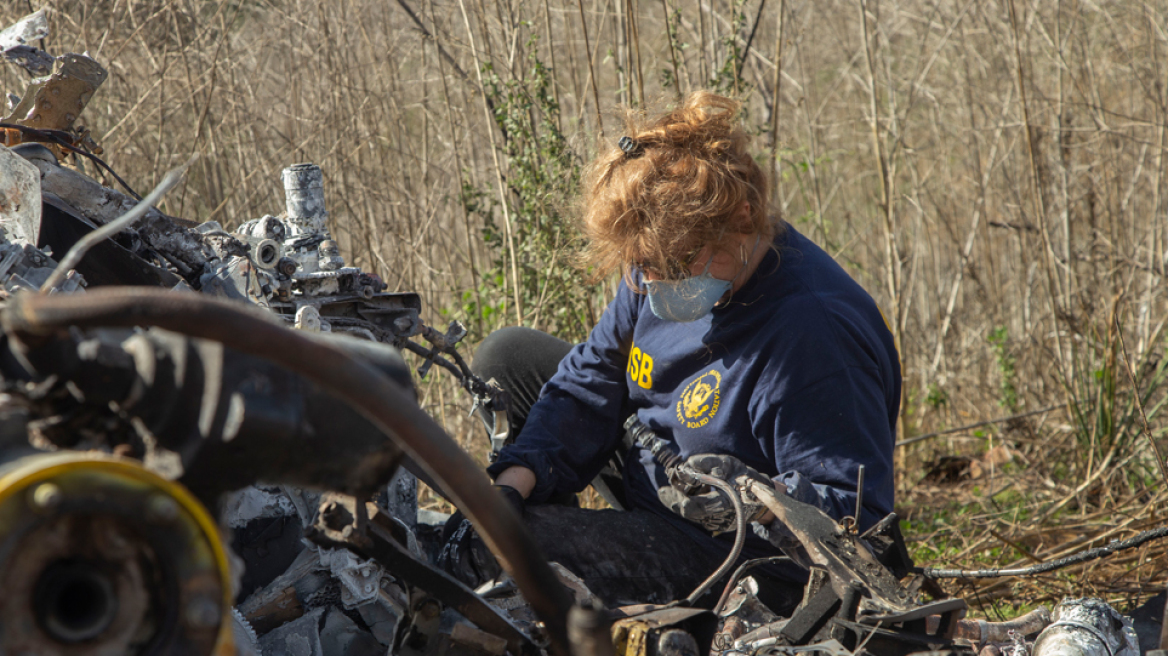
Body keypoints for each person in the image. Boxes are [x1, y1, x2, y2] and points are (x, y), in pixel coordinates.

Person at [439, 91, 900, 609]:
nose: (655, 284)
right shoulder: (656, 267)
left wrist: (756, 500)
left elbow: (854, 518)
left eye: (677, 265)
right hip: (659, 467)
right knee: (510, 358)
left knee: (508, 552)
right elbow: (590, 378)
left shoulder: (813, 335)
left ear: (743, 217)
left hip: (736, 552)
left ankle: (593, 579)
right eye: (643, 266)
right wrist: (511, 482)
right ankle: (564, 550)